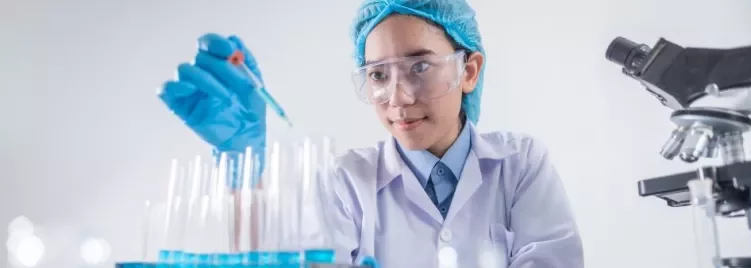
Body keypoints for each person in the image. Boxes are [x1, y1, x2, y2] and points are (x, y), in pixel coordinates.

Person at [158, 0, 584, 267]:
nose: (397, 98)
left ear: (468, 71)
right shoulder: (345, 181)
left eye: (419, 67)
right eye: (378, 74)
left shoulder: (521, 165)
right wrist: (242, 168)